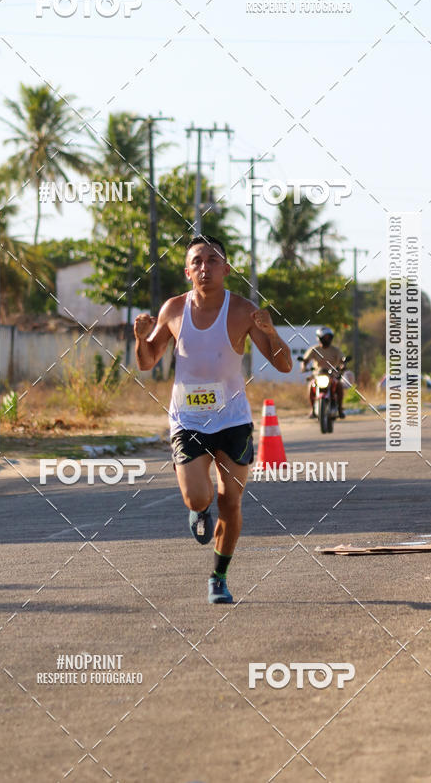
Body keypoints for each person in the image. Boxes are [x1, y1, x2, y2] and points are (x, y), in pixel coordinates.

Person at [134, 235, 293, 604]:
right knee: (196, 498)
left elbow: (284, 365)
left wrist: (271, 332)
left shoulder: (243, 311)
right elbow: (147, 361)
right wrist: (140, 339)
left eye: (213, 260)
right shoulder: (173, 309)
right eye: (197, 261)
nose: (205, 267)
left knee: (231, 502)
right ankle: (198, 510)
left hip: (232, 420)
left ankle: (218, 577)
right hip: (188, 419)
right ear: (187, 271)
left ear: (227, 269)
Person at [300, 326, 346, 419]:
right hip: (317, 375)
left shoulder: (335, 350)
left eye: (328, 337)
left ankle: (340, 409)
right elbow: (305, 360)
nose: (327, 339)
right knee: (311, 386)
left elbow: (342, 360)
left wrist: (343, 366)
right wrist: (304, 367)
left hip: (332, 375)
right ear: (319, 338)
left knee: (339, 386)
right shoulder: (314, 349)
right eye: (325, 337)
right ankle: (313, 409)